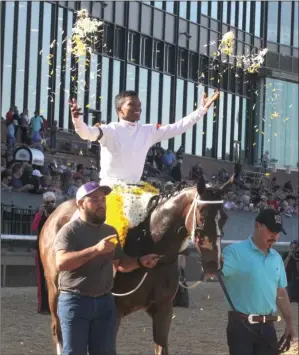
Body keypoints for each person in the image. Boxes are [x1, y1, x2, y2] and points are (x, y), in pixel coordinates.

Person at [55, 181, 160, 355]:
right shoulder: (69, 231)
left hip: (105, 302)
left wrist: (141, 261)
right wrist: (96, 250)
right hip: (75, 302)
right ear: (81, 203)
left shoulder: (110, 231)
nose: (101, 203)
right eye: (94, 199)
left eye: (103, 199)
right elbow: (62, 263)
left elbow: (120, 264)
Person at [70, 90, 219, 185]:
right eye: (132, 104)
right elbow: (86, 133)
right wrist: (77, 120)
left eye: (139, 104)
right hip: (110, 189)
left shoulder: (148, 131)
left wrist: (201, 111)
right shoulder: (109, 130)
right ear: (119, 110)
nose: (138, 108)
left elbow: (177, 127)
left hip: (137, 189)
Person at [220, 209, 296, 355]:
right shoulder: (233, 252)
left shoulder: (276, 258)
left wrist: (289, 323)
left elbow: (280, 293)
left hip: (268, 327)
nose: (274, 236)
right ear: (257, 226)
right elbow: (215, 270)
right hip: (241, 327)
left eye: (278, 232)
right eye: (271, 230)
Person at [32, 191, 57, 313]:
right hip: (42, 249)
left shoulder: (58, 213)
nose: (51, 204)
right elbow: (33, 227)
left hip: (55, 249)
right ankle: (43, 306)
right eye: (48, 202)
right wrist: (40, 214)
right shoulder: (39, 213)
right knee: (41, 278)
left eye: (52, 202)